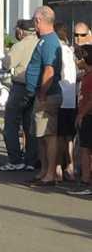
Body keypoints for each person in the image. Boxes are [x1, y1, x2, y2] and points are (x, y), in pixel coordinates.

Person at [25, 6, 63, 187]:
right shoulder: (44, 40)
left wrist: (42, 92)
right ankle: (43, 171)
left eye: (35, 20)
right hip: (41, 95)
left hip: (47, 96)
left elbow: (49, 70)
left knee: (48, 135)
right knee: (40, 135)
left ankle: (50, 174)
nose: (34, 24)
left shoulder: (50, 41)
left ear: (39, 20)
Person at [1, 19, 39, 171]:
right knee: (30, 125)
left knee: (11, 123)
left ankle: (15, 159)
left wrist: (2, 59)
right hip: (36, 87)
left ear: (21, 31)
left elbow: (7, 64)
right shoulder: (40, 43)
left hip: (20, 86)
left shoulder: (20, 45)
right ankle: (31, 160)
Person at [54, 23, 77, 182]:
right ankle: (70, 166)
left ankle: (58, 167)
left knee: (59, 135)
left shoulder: (58, 50)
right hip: (71, 96)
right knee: (69, 135)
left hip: (61, 95)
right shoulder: (69, 50)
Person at [69, 44, 92, 195]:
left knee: (85, 149)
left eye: (79, 57)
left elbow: (90, 99)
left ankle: (85, 181)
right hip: (86, 114)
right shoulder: (85, 75)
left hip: (89, 116)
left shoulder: (90, 77)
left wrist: (81, 114)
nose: (77, 60)